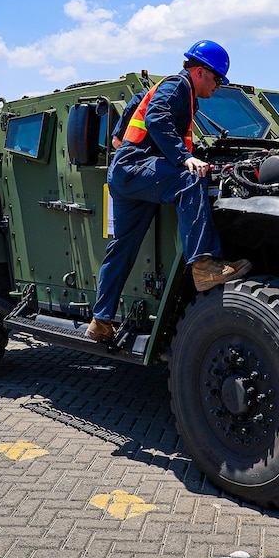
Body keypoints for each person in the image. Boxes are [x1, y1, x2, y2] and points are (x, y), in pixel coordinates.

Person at [86, 41, 252, 343]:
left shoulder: (176, 91)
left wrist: (117, 136)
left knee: (122, 248)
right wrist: (184, 158)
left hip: (126, 173)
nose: (218, 86)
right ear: (200, 71)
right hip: (137, 167)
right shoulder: (179, 86)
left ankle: (101, 321)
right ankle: (204, 266)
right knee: (189, 180)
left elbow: (139, 101)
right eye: (217, 79)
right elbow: (156, 117)